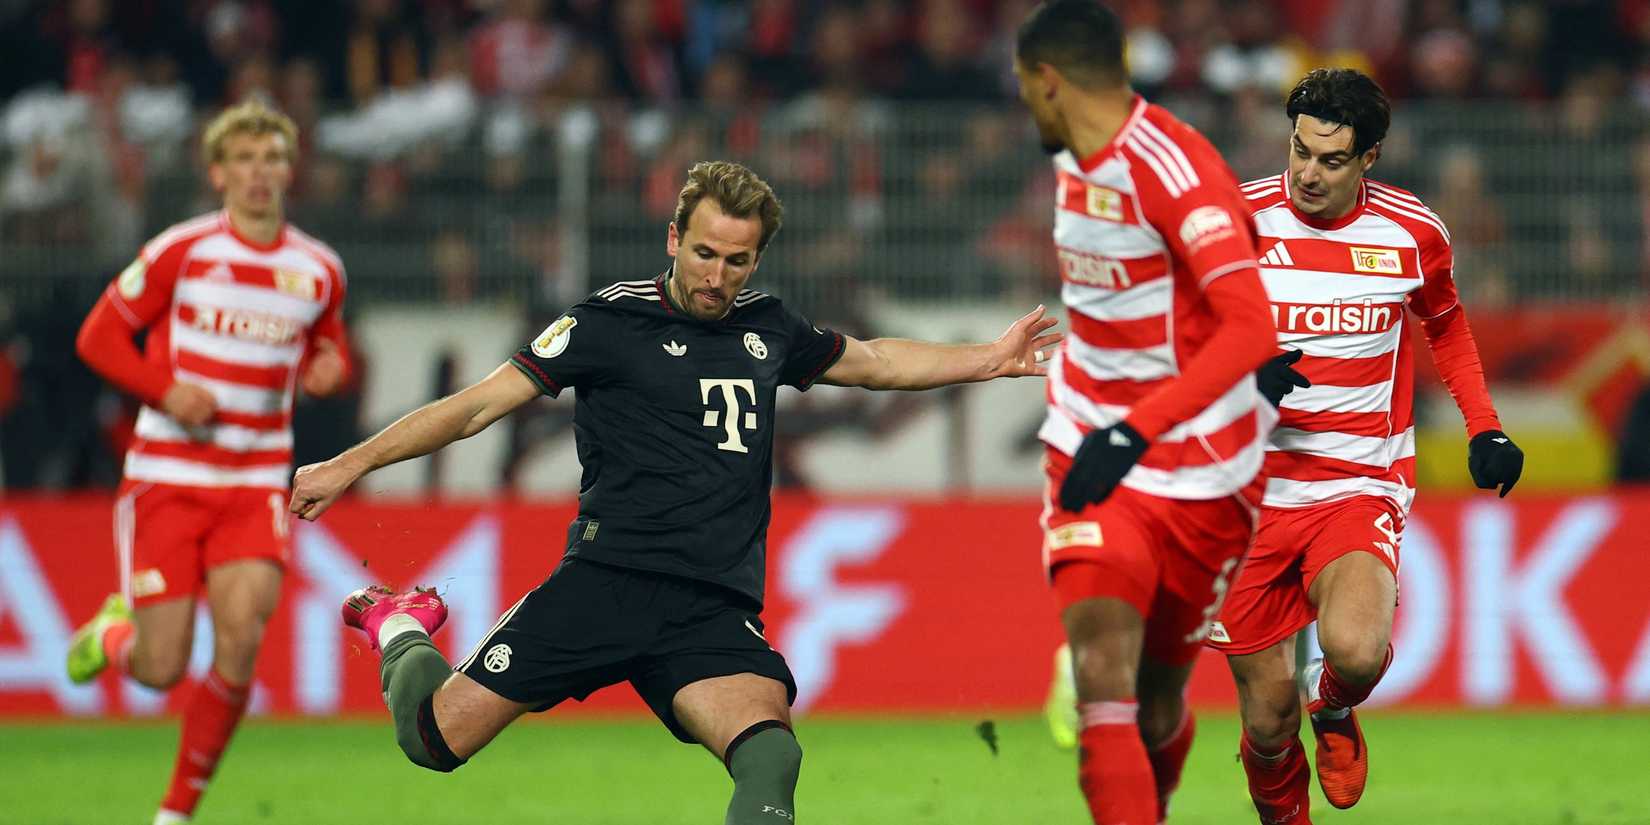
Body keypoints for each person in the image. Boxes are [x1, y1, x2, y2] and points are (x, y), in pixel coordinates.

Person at [285, 160, 1060, 824]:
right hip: (605, 583)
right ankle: (399, 623)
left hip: (709, 605)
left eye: (737, 260)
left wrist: (988, 359)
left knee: (771, 753)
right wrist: (349, 464)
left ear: (756, 260)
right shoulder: (606, 323)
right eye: (704, 253)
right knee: (431, 741)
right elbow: (475, 407)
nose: (716, 276)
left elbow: (877, 362)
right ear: (673, 240)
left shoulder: (769, 329)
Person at [1044, 67, 1526, 825]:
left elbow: (1445, 322)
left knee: (1356, 651)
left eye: (1331, 160)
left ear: (1368, 158)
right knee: (1267, 724)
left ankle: (1329, 703)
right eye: (1299, 150)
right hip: (1244, 493)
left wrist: (1484, 424)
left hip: (1357, 480)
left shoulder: (1412, 233)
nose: (1307, 173)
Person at [1011, 2, 1278, 823]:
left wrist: (1136, 429)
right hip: (1089, 444)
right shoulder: (1072, 158)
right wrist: (1110, 428)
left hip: (1203, 467)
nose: (1023, 104)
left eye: (1023, 87)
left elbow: (1251, 327)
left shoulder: (1173, 169)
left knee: (1157, 706)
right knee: (1104, 680)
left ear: (1047, 81)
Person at [64, 100, 351, 825]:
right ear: (218, 173)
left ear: (289, 170)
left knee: (242, 636)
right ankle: (111, 636)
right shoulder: (183, 251)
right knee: (161, 667)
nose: (259, 172)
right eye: (244, 159)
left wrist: (330, 369)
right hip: (169, 477)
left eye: (272, 158)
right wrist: (165, 391)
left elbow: (330, 345)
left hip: (255, 481)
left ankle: (175, 813)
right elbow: (98, 337)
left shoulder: (318, 268)